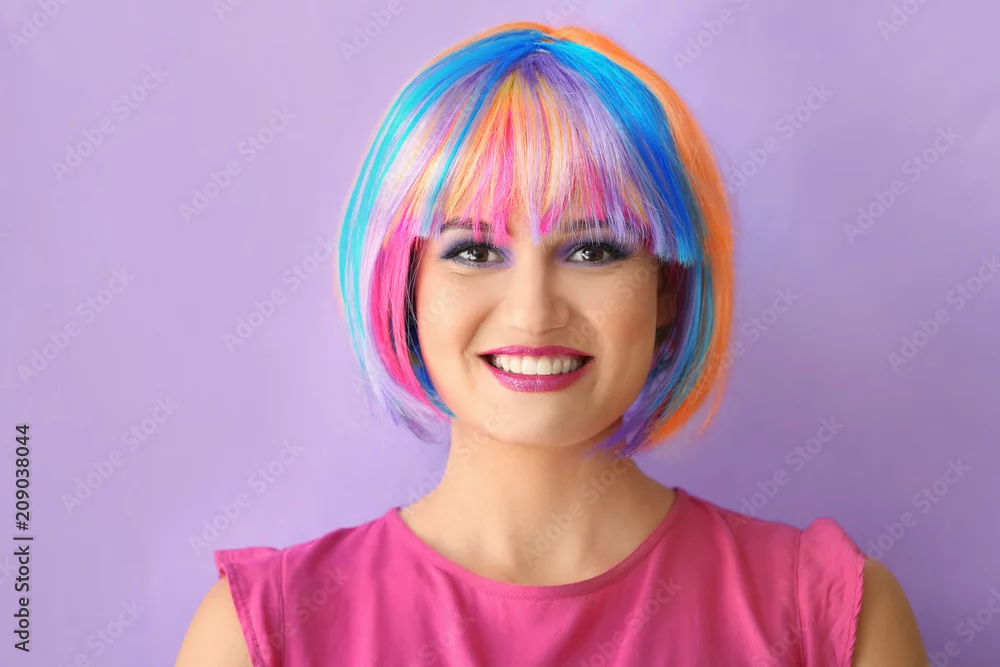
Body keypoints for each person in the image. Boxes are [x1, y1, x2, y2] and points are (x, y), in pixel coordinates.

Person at [175, 22, 928, 666]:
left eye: (594, 250)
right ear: (406, 286)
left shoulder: (833, 620)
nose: (533, 314)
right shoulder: (262, 636)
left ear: (667, 288)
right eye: (474, 251)